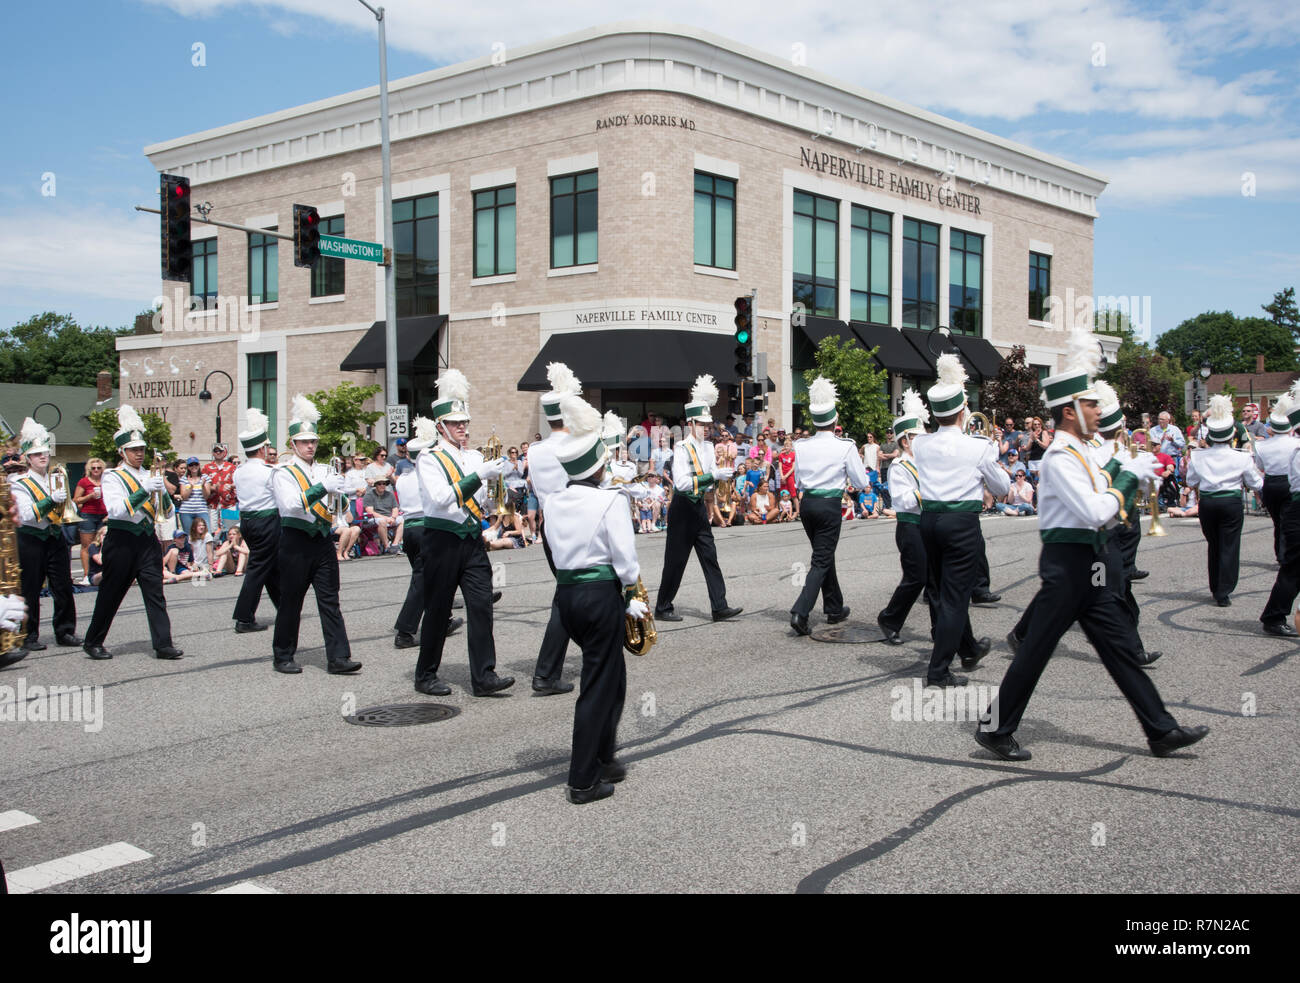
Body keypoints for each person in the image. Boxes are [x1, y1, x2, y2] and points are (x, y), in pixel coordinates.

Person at [977, 341, 1208, 761]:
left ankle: (1161, 729)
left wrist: (1126, 469)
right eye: (1091, 404)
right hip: (1069, 565)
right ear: (1070, 411)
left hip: (1093, 563)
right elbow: (1096, 510)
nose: (1099, 411)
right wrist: (1125, 479)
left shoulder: (1082, 450)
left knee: (1119, 649)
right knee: (1035, 651)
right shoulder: (1061, 457)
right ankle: (995, 729)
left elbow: (1103, 484)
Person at [548, 393, 644, 804]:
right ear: (599, 465)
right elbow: (626, 559)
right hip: (600, 594)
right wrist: (630, 594)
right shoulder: (609, 500)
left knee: (611, 679)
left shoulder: (553, 502)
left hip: (567, 594)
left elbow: (552, 552)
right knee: (596, 686)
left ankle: (604, 756)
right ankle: (582, 780)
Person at [414, 368, 513, 697]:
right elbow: (442, 498)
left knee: (482, 604)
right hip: (441, 541)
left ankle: (484, 676)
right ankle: (425, 674)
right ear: (441, 426)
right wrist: (477, 476)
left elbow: (482, 500)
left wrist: (496, 481)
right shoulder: (428, 458)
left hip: (471, 540)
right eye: (456, 423)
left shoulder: (473, 456)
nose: (463, 428)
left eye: (465, 422)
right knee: (439, 609)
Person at [911, 355, 1005, 687]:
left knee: (941, 591)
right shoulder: (977, 446)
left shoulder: (920, 443)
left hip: (929, 520)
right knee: (954, 597)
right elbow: (1003, 489)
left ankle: (967, 648)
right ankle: (938, 670)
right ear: (963, 411)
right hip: (962, 523)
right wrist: (989, 453)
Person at [269, 394, 362, 675]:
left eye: (313, 442)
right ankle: (283, 655)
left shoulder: (324, 468)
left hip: (322, 540)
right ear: (293, 444)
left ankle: (338, 657)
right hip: (295, 541)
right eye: (304, 442)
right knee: (291, 601)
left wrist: (341, 495)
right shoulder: (282, 472)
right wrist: (323, 487)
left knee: (330, 599)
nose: (310, 446)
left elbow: (339, 507)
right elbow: (290, 505)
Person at [82, 406, 183, 661]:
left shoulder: (152, 475)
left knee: (155, 592)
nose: (139, 454)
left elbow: (167, 513)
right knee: (111, 593)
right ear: (122, 452)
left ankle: (163, 644)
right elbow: (115, 510)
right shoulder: (112, 476)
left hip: (147, 539)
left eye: (141, 449)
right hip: (121, 540)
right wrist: (144, 490)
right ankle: (93, 641)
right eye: (134, 450)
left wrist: (164, 494)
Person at [654, 374, 742, 624]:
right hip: (682, 508)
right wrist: (713, 474)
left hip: (700, 508)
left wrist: (722, 477)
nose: (707, 428)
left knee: (710, 556)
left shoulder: (708, 447)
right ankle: (662, 606)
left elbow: (710, 479)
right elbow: (681, 483)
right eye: (702, 424)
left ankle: (719, 606)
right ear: (691, 423)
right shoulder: (682, 447)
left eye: (708, 424)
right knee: (676, 561)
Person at [788, 378, 869, 635]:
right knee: (821, 559)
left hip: (808, 503)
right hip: (829, 504)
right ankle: (801, 611)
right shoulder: (844, 445)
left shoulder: (801, 445)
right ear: (835, 422)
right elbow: (861, 481)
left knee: (824, 555)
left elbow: (798, 479)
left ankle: (834, 607)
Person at [527, 362, 584, 696]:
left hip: (551, 526)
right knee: (568, 597)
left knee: (571, 594)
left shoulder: (536, 450)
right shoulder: (575, 445)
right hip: (576, 526)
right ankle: (546, 674)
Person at [391, 418, 464, 649]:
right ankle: (405, 630)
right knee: (423, 581)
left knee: (431, 578)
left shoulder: (402, 479)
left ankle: (444, 619)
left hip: (409, 530)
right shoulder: (427, 474)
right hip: (426, 528)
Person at [11, 419, 80, 650]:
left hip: (55, 536)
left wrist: (68, 505)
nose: (43, 457)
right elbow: (26, 514)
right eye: (37, 454)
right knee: (30, 587)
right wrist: (51, 500)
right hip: (31, 538)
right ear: (28, 458)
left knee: (62, 585)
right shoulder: (19, 482)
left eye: (45, 453)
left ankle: (65, 631)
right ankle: (28, 635)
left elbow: (68, 508)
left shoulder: (56, 478)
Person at [1186, 396, 1262, 607]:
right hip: (1230, 502)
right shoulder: (1241, 456)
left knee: (1214, 545)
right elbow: (1255, 483)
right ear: (1231, 435)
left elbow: (1191, 481)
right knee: (1229, 546)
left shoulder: (1198, 456)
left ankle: (1215, 586)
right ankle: (1223, 590)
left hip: (1208, 503)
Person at [877, 390, 938, 646]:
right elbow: (902, 501)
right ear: (906, 441)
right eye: (918, 438)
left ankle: (942, 630)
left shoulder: (928, 463)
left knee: (936, 581)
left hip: (931, 526)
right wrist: (930, 488)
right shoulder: (899, 467)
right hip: (910, 526)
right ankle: (890, 618)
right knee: (917, 578)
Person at [231, 409, 281, 632]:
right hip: (267, 521)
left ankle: (285, 607)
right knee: (259, 568)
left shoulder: (239, 471)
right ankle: (244, 616)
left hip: (248, 522)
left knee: (270, 567)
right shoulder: (269, 471)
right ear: (262, 449)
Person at [1253, 394, 1298, 562]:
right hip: (1288, 483)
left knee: (1277, 523)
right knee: (1288, 521)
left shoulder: (1261, 445)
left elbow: (1260, 466)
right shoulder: (1295, 443)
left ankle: (1280, 554)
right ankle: (1286, 555)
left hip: (1271, 484)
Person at [73, 457, 108, 586]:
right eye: (93, 468)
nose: (96, 470)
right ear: (89, 469)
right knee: (87, 546)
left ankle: (104, 572)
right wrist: (90, 496)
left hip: (104, 515)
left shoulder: (107, 481)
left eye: (99, 468)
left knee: (104, 544)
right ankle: (87, 575)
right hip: (88, 514)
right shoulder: (84, 482)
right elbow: (76, 499)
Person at [201, 443, 237, 534]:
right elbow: (203, 483)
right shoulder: (206, 468)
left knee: (230, 529)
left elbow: (238, 482)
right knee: (212, 530)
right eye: (215, 451)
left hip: (228, 503)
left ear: (224, 452)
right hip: (212, 503)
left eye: (220, 451)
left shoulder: (231, 467)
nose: (218, 453)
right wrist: (213, 487)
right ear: (213, 453)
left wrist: (231, 486)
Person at [363, 476, 404, 554]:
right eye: (379, 484)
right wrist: (386, 518)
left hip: (390, 517)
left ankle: (395, 544)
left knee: (402, 520)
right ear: (375, 485)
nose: (382, 485)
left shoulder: (390, 495)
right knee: (382, 521)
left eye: (384, 484)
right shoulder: (369, 495)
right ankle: (387, 546)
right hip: (374, 518)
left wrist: (393, 517)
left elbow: (395, 508)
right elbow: (370, 512)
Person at [177, 457, 210, 537]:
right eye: (191, 465)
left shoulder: (205, 477)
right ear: (188, 467)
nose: (194, 466)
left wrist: (202, 486)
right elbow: (184, 497)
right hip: (186, 511)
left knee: (206, 535)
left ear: (199, 465)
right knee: (189, 537)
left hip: (201, 509)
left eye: (196, 464)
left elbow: (206, 496)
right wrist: (191, 486)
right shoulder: (184, 479)